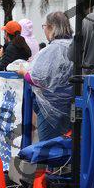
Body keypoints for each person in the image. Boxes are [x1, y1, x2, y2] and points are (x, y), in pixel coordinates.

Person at [18, 12, 73, 141]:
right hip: (70, 106)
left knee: (47, 146)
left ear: (51, 27)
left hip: (49, 107)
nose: (44, 30)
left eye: (44, 26)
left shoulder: (52, 50)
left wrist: (23, 72)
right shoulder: (74, 46)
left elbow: (36, 79)